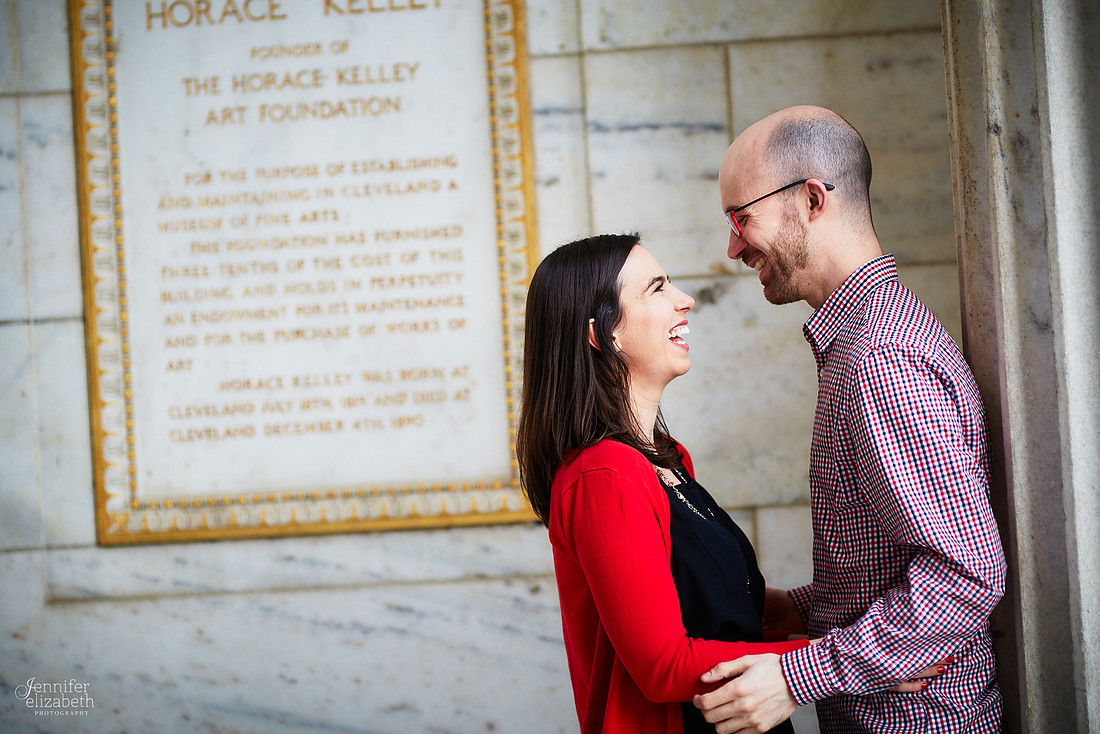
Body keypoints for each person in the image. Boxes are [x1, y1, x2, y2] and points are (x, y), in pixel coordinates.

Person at [693, 106, 1007, 733]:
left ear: (812, 199)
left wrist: (797, 676)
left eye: (741, 218)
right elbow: (898, 561)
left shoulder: (880, 359)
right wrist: (803, 610)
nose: (732, 247)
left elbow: (967, 575)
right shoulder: (867, 340)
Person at [516, 233, 812, 733]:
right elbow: (664, 666)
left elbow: (714, 603)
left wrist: (852, 622)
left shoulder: (668, 458)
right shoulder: (602, 477)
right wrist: (835, 664)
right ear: (603, 334)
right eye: (657, 288)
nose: (685, 299)